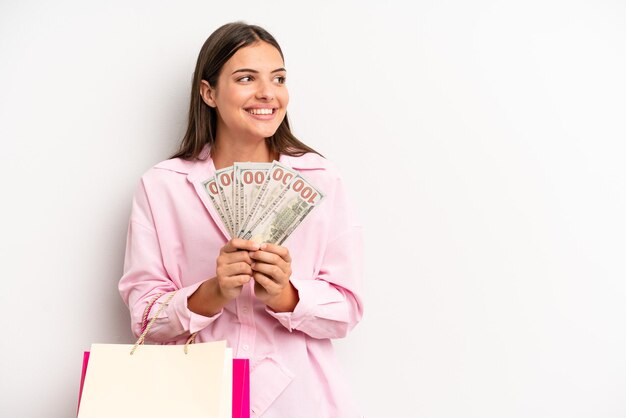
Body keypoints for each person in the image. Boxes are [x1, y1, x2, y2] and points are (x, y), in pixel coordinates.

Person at [118, 21, 364, 418]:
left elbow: (347, 309)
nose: (268, 93)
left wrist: (285, 294)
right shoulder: (162, 187)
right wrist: (213, 291)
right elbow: (143, 317)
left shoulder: (321, 180)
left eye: (278, 78)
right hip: (193, 397)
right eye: (246, 78)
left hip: (300, 398)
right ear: (209, 92)